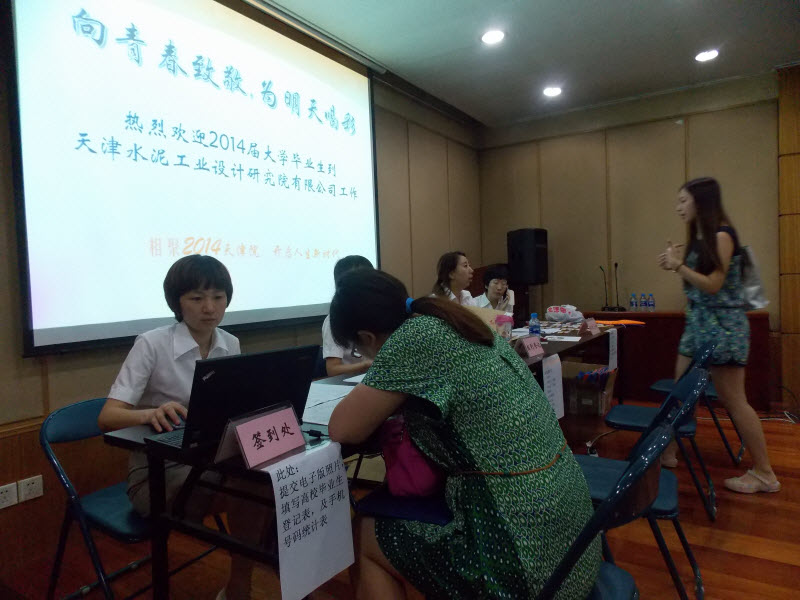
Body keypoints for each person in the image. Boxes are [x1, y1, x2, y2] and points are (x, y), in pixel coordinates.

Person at [327, 269, 599, 599]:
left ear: (367, 337)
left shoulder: (411, 340)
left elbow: (343, 428)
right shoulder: (450, 321)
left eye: (358, 350)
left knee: (365, 534)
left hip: (528, 559)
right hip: (575, 539)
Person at [97, 255, 268, 600]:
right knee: (253, 489)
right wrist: (150, 413)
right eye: (197, 298)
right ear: (177, 302)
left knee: (265, 481)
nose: (210, 308)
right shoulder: (152, 343)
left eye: (218, 297)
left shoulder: (230, 343)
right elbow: (108, 417)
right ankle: (241, 585)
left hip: (209, 459)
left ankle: (242, 582)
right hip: (156, 474)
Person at [658, 177, 780, 494]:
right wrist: (677, 262)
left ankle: (765, 473)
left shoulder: (723, 235)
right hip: (699, 326)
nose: (678, 207)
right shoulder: (704, 236)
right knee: (680, 392)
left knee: (734, 401)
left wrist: (678, 266)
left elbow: (713, 284)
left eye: (683, 200)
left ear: (701, 201)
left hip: (722, 329)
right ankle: (667, 451)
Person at [321, 255, 375, 376]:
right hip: (349, 382)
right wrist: (366, 365)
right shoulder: (335, 320)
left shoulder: (377, 313)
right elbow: (333, 369)